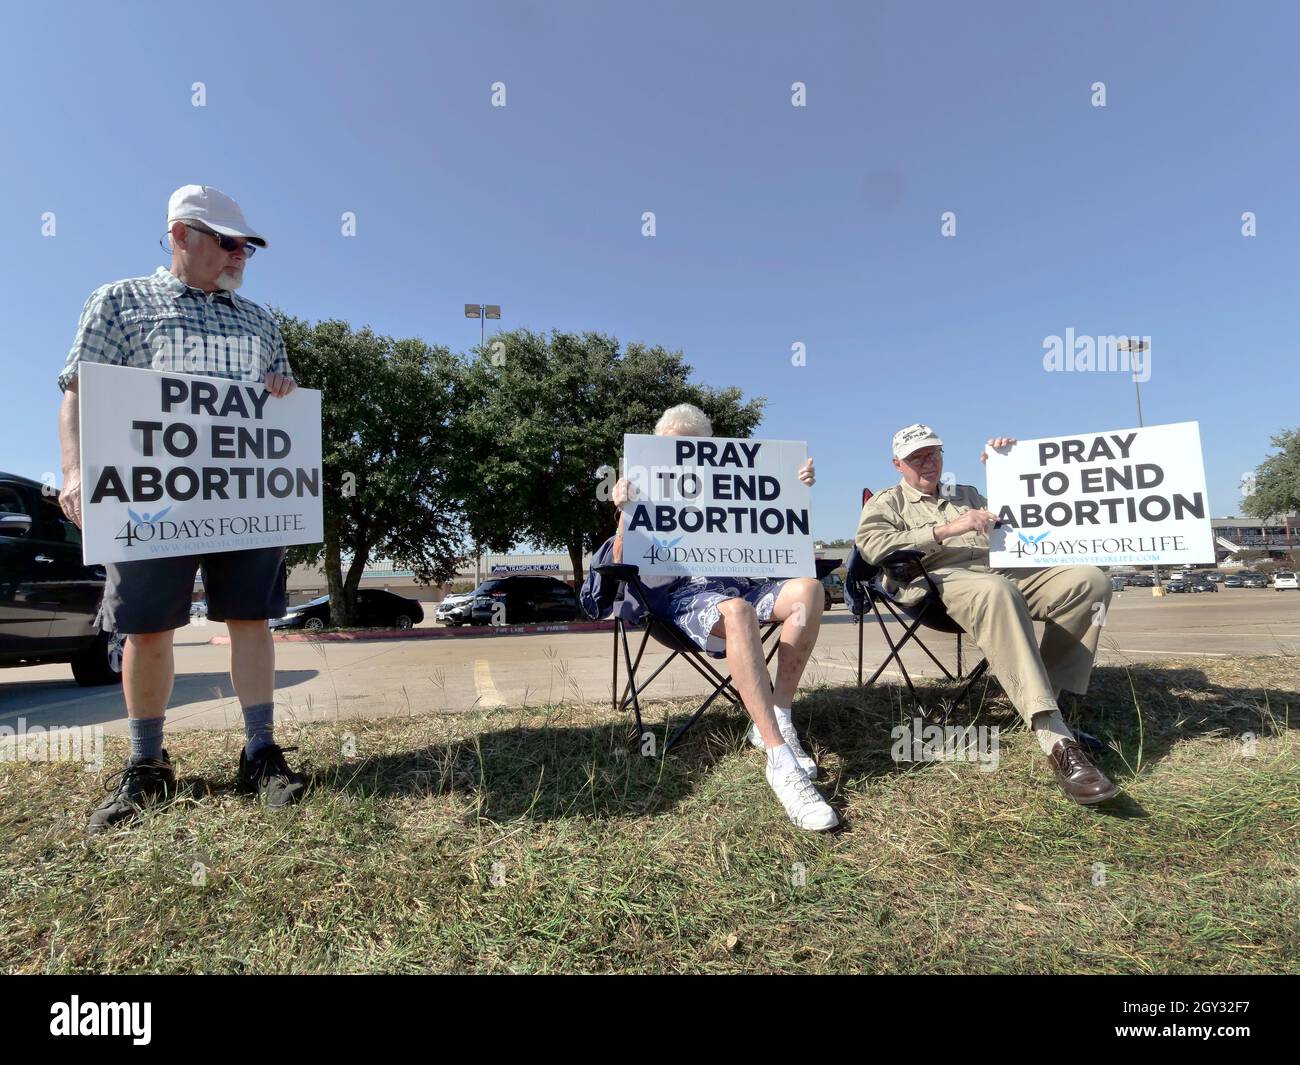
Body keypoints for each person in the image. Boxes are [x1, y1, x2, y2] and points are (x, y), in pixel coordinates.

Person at [58, 184, 305, 834]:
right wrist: (76, 471)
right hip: (149, 500)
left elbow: (280, 401)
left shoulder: (259, 322)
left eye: (246, 247)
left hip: (244, 497)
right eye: (226, 243)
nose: (239, 256)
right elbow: (79, 393)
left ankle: (260, 751)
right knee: (146, 628)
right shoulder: (119, 303)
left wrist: (281, 390)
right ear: (180, 236)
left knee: (251, 617)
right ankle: (146, 763)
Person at [855, 423, 1120, 805]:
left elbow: (1020, 513)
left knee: (1089, 581)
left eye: (934, 453)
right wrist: (945, 529)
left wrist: (1009, 466)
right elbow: (872, 547)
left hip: (998, 571)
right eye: (916, 457)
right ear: (898, 464)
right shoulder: (886, 502)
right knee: (999, 591)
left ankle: (1052, 703)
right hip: (939, 581)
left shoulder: (966, 493)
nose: (928, 462)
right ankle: (1056, 738)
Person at [612, 403, 838, 831]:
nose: (685, 456)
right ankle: (779, 759)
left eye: (696, 448)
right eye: (675, 449)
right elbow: (625, 564)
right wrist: (625, 514)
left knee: (809, 588)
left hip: (745, 584)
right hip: (684, 598)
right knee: (738, 611)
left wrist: (794, 489)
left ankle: (781, 716)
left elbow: (783, 536)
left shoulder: (735, 485)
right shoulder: (642, 490)